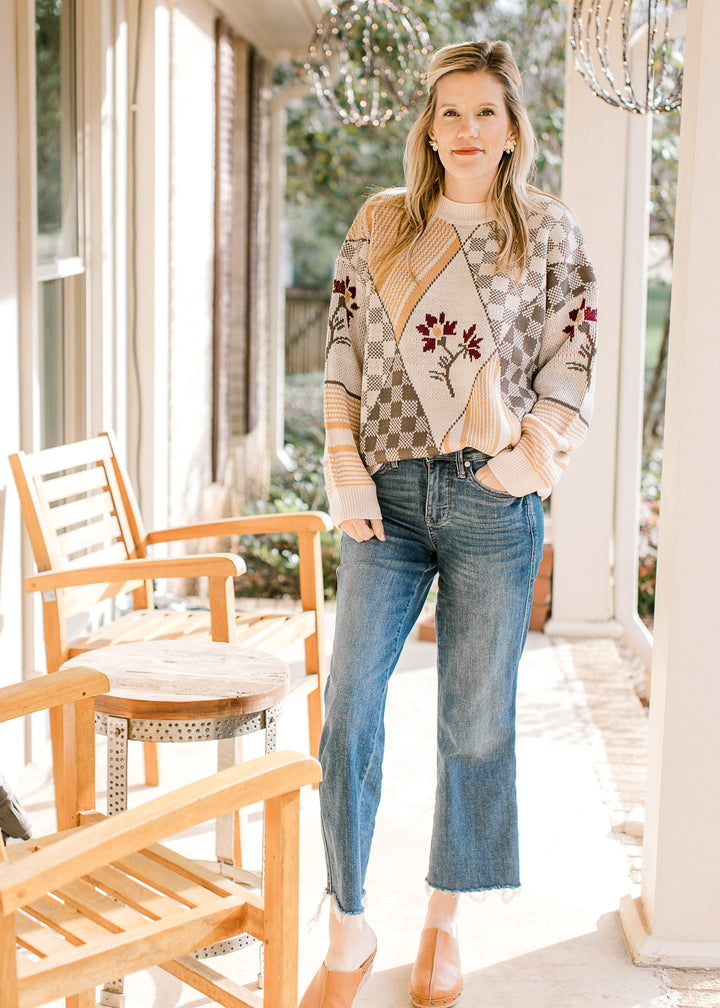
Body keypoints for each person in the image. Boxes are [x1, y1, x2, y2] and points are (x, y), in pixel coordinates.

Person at [299, 39, 598, 1008]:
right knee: (349, 710)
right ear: (428, 127)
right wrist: (343, 474)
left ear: (513, 129)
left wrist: (524, 464)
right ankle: (350, 924)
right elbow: (340, 352)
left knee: (474, 725)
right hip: (382, 501)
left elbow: (573, 364)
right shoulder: (383, 223)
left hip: (492, 502)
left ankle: (443, 919)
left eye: (486, 112)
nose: (467, 130)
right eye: (450, 113)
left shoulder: (548, 232)